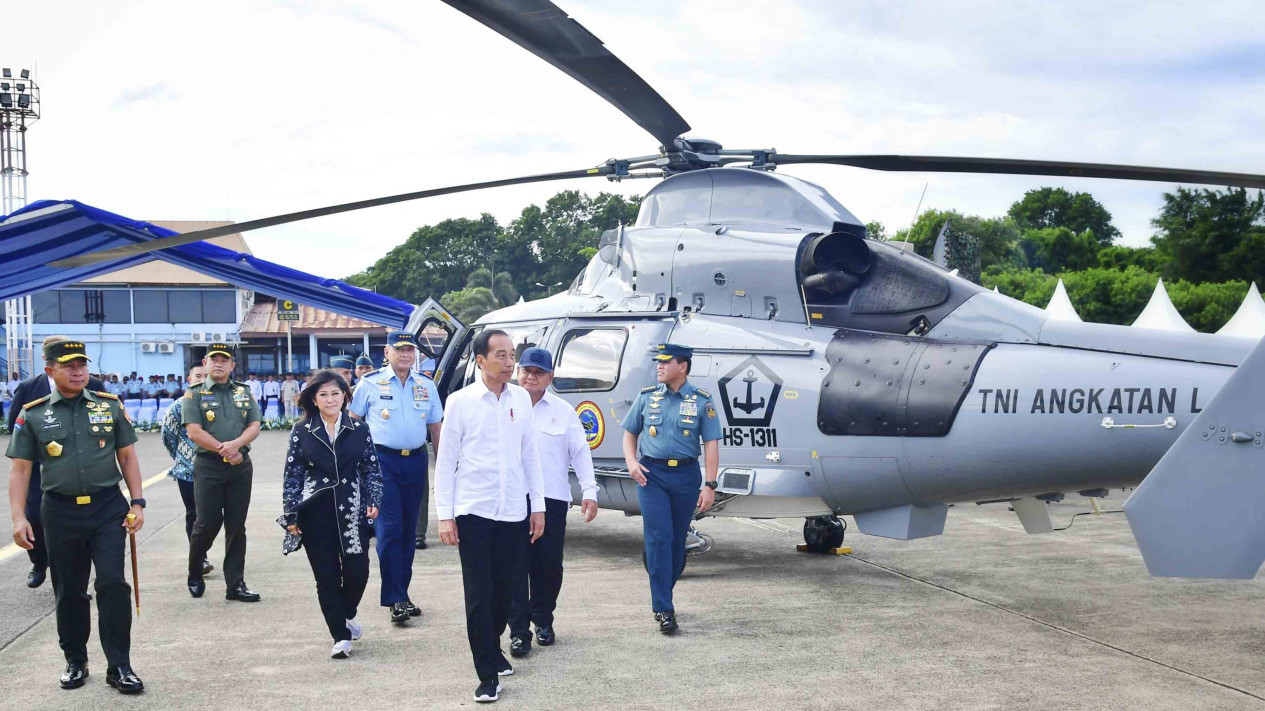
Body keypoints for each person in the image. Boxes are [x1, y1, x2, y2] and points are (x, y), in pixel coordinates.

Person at [6, 338, 146, 693]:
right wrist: (19, 518)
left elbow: (127, 457)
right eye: (68, 366)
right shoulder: (33, 413)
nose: (77, 371)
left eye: (81, 364)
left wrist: (137, 503)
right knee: (69, 590)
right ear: (50, 370)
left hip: (107, 508)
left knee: (112, 584)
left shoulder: (109, 406)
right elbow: (20, 470)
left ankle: (119, 665)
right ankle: (75, 660)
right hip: (60, 511)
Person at [435, 329, 545, 703]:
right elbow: (446, 461)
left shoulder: (521, 400)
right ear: (480, 360)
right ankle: (486, 674)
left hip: (513, 509)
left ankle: (493, 646)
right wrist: (445, 515)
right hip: (474, 510)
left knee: (506, 592)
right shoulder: (459, 402)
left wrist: (537, 506)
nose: (510, 362)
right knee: (479, 594)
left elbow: (530, 454)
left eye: (512, 354)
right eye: (501, 355)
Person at [279, 370, 383, 659]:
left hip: (353, 510)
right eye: (323, 394)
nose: (330, 399)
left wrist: (374, 498)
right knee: (326, 578)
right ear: (314, 399)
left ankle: (347, 612)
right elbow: (292, 475)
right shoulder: (302, 430)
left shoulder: (359, 428)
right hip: (316, 513)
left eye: (335, 393)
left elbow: (371, 468)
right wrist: (291, 514)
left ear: (345, 397)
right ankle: (340, 635)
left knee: (358, 571)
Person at [621, 343, 721, 634]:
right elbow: (630, 433)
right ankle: (664, 607)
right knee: (659, 537)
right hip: (651, 475)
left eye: (666, 362)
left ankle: (663, 591)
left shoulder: (702, 400)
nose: (659, 366)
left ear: (683, 366)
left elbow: (711, 444)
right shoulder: (647, 397)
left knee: (677, 542)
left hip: (686, 476)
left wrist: (710, 484)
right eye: (658, 362)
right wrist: (631, 463)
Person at [507, 347, 598, 657]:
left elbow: (580, 452)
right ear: (518, 372)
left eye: (539, 373)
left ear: (550, 376)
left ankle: (543, 619)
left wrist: (589, 491)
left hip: (552, 499)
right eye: (527, 371)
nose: (531, 377)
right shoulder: (505, 406)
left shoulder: (563, 410)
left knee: (548, 565)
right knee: (514, 565)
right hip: (513, 497)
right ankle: (518, 630)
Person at [349, 332, 442, 623]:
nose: (405, 355)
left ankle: (402, 593)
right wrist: (356, 461)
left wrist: (442, 465)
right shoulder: (370, 383)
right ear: (387, 352)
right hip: (382, 462)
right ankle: (395, 598)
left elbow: (436, 427)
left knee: (409, 532)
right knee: (389, 530)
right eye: (399, 349)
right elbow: (352, 421)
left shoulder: (426, 385)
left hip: (416, 461)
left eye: (410, 350)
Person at [6, 336, 105, 589]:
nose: (75, 370)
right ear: (47, 361)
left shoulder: (93, 384)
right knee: (34, 518)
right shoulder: (29, 388)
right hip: (38, 469)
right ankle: (39, 562)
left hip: (78, 466)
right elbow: (14, 424)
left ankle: (77, 580)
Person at [183, 343, 263, 602]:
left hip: (240, 466)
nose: (218, 364)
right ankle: (195, 570)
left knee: (236, 526)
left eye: (224, 360)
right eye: (214, 359)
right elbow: (194, 432)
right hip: (209, 466)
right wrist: (226, 450)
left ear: (232, 365)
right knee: (206, 524)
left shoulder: (243, 392)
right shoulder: (194, 394)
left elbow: (254, 425)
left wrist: (237, 446)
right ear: (205, 363)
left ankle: (235, 584)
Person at [160, 364, 213, 577]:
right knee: (195, 515)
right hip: (187, 471)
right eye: (198, 375)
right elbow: (168, 436)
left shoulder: (217, 404)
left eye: (206, 376)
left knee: (213, 517)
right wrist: (182, 457)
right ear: (189, 379)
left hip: (215, 470)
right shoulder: (178, 407)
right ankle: (199, 558)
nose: (202, 379)